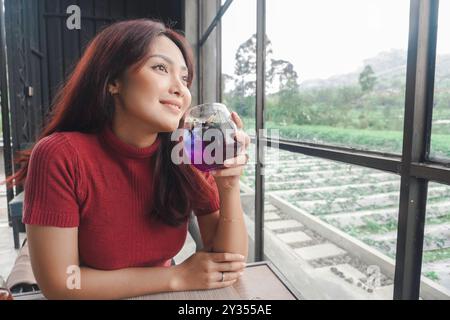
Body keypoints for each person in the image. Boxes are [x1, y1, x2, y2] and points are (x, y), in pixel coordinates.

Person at [2, 19, 250, 300]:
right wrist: (177, 276)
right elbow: (61, 284)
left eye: (184, 78)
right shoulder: (61, 155)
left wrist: (228, 185)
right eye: (160, 68)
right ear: (113, 82)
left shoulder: (187, 153)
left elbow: (229, 263)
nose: (181, 89)